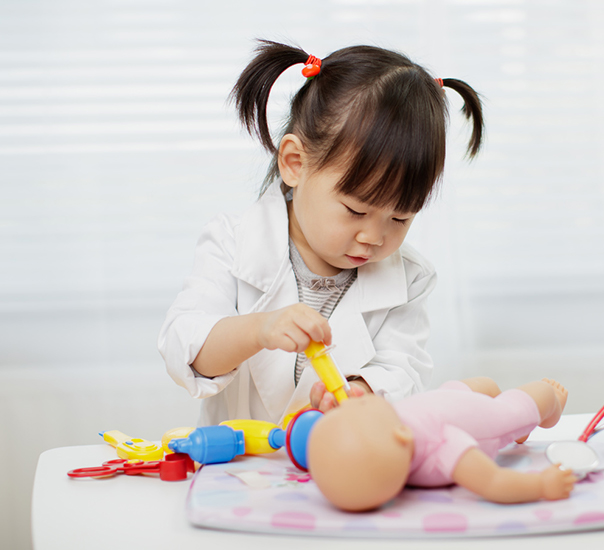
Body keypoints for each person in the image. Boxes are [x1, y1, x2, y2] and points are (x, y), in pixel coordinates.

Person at [158, 40, 484, 426]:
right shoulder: (232, 243)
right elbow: (185, 350)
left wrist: (360, 389)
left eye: (400, 218)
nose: (374, 237)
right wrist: (259, 329)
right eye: (356, 210)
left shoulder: (410, 279)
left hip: (339, 471)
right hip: (241, 471)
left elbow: (404, 371)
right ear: (295, 163)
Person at [307, 377, 577, 511]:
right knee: (540, 393)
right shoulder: (441, 447)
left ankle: (515, 422)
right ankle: (543, 416)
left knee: (484, 383)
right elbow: (493, 482)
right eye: (361, 405)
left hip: (447, 398)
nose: (351, 400)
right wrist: (542, 485)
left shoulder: (390, 434)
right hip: (484, 416)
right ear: (402, 434)